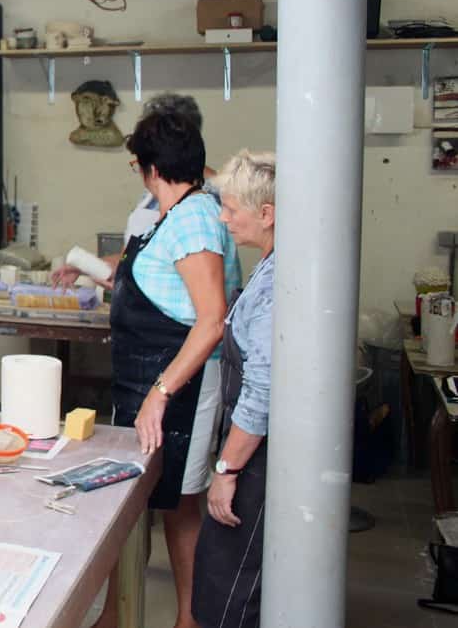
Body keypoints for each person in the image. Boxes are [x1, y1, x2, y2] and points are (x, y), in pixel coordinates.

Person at [68, 110, 242, 628]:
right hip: (147, 379)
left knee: (180, 504)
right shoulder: (173, 215)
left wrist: (161, 391)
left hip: (178, 386)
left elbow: (210, 321)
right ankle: (116, 615)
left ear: (146, 167)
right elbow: (154, 290)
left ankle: (189, 619)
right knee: (139, 503)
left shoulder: (194, 218)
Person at [193, 150, 276, 628]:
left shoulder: (273, 288)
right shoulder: (272, 261)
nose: (223, 218)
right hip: (252, 457)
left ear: (265, 215)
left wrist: (227, 469)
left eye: (231, 209)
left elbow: (261, 393)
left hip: (256, 463)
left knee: (230, 590)